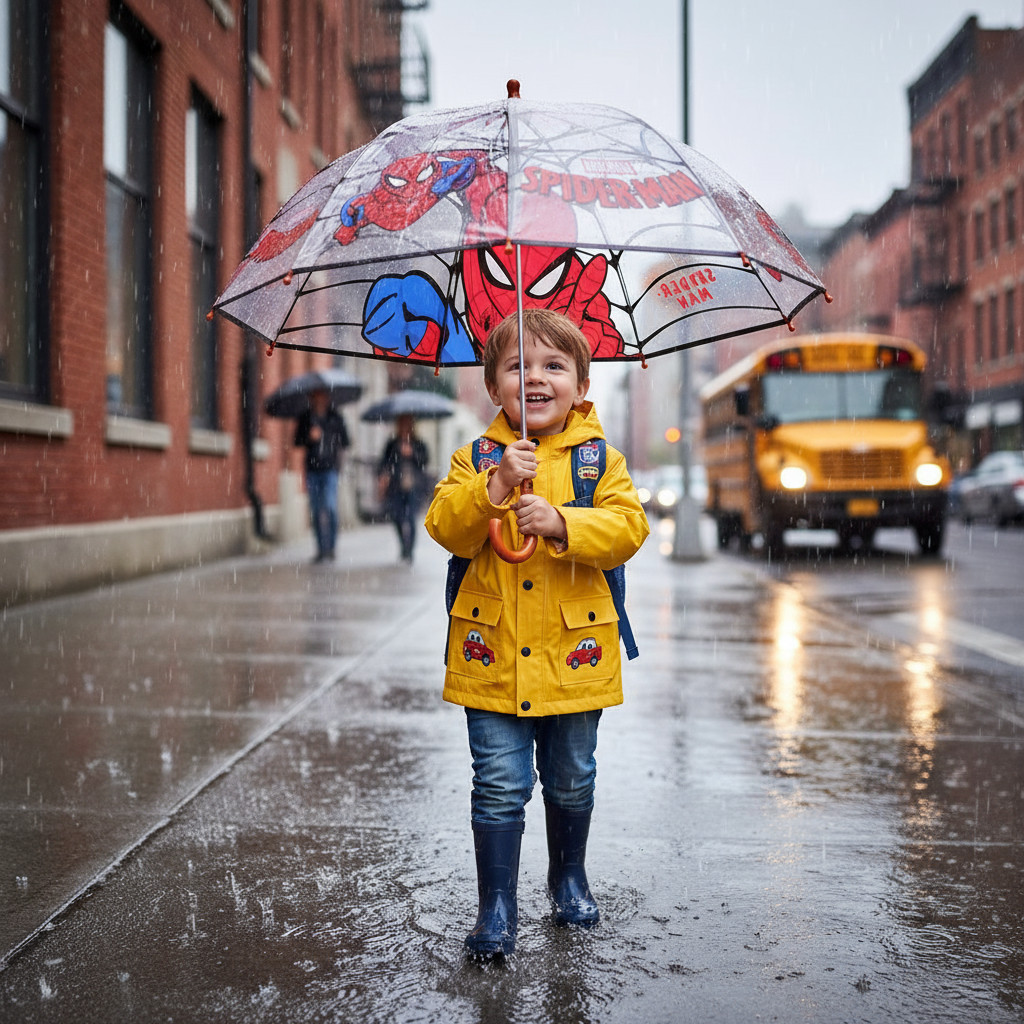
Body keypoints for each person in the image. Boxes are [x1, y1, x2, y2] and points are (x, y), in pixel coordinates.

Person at [424, 308, 650, 959]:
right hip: (491, 655)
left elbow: (627, 532)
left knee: (572, 776)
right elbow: (447, 526)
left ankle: (568, 876)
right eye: (519, 365)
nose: (537, 377)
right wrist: (494, 485)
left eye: (555, 365)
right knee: (497, 781)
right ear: (495, 387)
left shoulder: (599, 462)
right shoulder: (477, 458)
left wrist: (562, 523)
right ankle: (495, 905)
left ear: (582, 386)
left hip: (574, 659)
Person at [294, 387, 350, 563]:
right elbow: (296, 441)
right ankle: (320, 549)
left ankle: (331, 547)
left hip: (330, 469)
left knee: (330, 507)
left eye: (322, 396)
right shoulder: (305, 418)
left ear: (326, 398)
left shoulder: (335, 417)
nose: (319, 399)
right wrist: (310, 437)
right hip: (312, 470)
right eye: (315, 396)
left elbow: (346, 441)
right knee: (316, 510)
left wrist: (331, 437)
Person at [377, 413, 430, 562]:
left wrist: (412, 453)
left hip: (414, 486)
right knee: (397, 516)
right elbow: (384, 463)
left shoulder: (418, 443)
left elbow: (425, 460)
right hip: (396, 486)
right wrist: (383, 478)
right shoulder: (392, 444)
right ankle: (403, 545)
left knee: (411, 517)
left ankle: (409, 550)